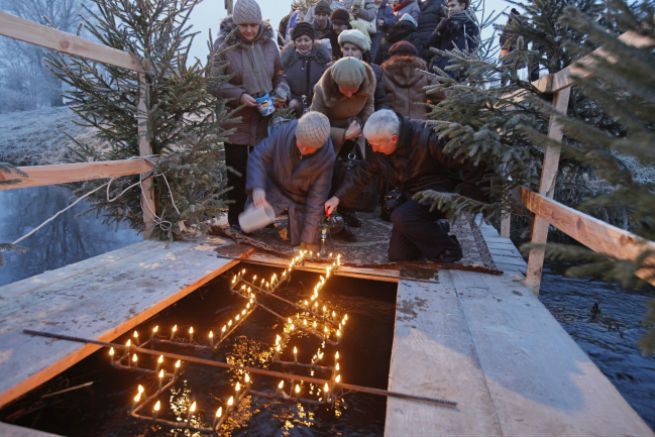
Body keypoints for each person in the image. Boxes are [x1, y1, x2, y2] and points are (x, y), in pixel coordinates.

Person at [324, 109, 489, 262]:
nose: (373, 148)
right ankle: (434, 228)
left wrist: (464, 198)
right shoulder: (378, 144)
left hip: (438, 192)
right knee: (399, 255)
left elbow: (471, 162)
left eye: (376, 144)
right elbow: (363, 172)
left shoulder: (428, 137)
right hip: (410, 195)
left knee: (402, 216)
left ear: (394, 139)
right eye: (371, 143)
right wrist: (337, 197)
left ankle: (449, 248)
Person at [208, 0, 289, 228]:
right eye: (243, 25)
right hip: (234, 120)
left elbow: (280, 75)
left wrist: (280, 93)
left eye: (253, 25)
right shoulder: (223, 45)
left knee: (260, 170)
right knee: (236, 172)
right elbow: (212, 83)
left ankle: (257, 219)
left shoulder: (270, 45)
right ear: (235, 24)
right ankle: (235, 220)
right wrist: (239, 95)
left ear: (260, 23)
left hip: (263, 118)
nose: (249, 30)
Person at [247, 112, 335, 250]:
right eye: (301, 143)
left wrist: (308, 240)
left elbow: (316, 200)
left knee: (306, 240)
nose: (304, 150)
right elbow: (258, 156)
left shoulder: (326, 157)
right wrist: (257, 188)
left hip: (301, 198)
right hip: (276, 186)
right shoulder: (285, 133)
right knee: (248, 224)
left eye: (310, 148)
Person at [311, 57, 377, 237]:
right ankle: (328, 217)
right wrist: (343, 135)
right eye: (344, 90)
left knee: (352, 173)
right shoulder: (322, 89)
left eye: (353, 90)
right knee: (332, 174)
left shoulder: (368, 82)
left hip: (356, 130)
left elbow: (368, 106)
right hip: (330, 134)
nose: (349, 95)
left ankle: (347, 210)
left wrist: (364, 126)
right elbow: (314, 122)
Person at [381, 40, 442, 119]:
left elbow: (379, 100)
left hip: (394, 124)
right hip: (421, 124)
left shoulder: (384, 73)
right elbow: (440, 99)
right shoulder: (425, 74)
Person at [281, 22, 332, 115]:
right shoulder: (288, 59)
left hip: (317, 103)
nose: (303, 43)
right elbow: (282, 79)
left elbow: (327, 82)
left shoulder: (322, 58)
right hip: (293, 103)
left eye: (306, 40)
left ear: (312, 41)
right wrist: (291, 99)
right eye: (299, 40)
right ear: (294, 42)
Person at [337, 29, 389, 109]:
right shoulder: (334, 71)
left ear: (362, 52)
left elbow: (382, 102)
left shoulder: (374, 72)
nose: (349, 53)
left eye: (354, 49)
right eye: (346, 49)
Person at [428, 0, 479, 79]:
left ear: (462, 6)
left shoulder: (470, 27)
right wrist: (440, 27)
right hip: (438, 71)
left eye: (453, 6)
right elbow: (431, 45)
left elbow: (473, 52)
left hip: (456, 74)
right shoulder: (445, 24)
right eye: (448, 6)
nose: (449, 9)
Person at [370, 0, 397, 64]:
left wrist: (384, 21)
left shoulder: (387, 8)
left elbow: (393, 21)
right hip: (367, 33)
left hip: (378, 35)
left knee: (374, 56)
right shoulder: (368, 4)